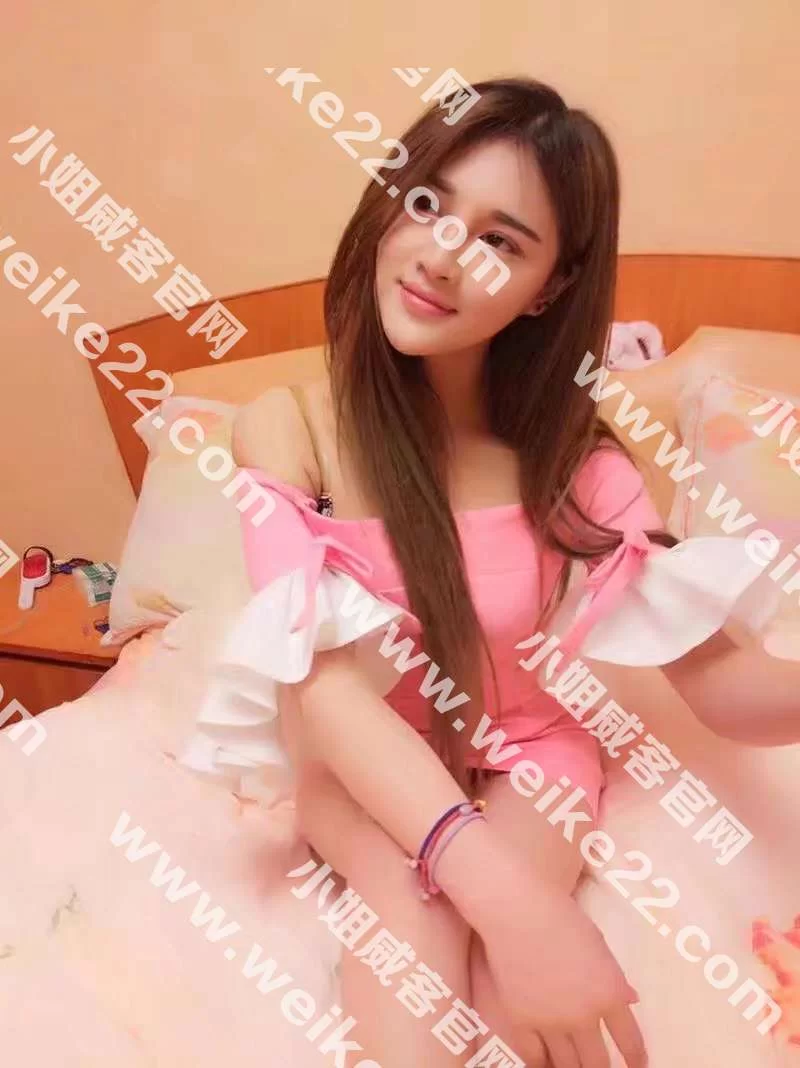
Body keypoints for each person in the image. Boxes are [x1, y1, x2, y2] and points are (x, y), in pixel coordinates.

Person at [180, 77, 800, 1068]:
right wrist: (510, 903)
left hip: (532, 744)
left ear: (549, 287)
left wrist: (522, 913)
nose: (440, 254)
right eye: (426, 202)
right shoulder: (287, 426)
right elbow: (323, 689)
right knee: (417, 956)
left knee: (521, 1020)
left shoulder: (576, 461)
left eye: (501, 242)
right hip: (362, 761)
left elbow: (721, 683)